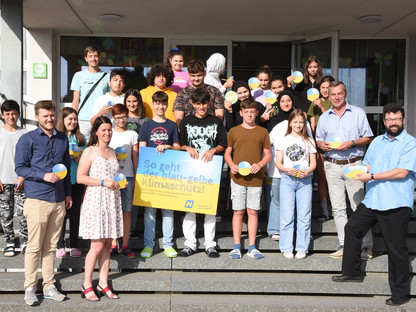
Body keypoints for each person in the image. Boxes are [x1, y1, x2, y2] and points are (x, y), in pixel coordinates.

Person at [332, 103, 416, 307]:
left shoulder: (410, 143)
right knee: (352, 227)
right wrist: (357, 169)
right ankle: (352, 272)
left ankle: (401, 293)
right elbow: (369, 164)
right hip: (374, 199)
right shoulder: (377, 141)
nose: (393, 122)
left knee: (395, 249)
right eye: (389, 119)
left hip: (396, 202)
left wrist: (371, 175)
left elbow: (402, 172)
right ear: (384, 121)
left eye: (396, 119)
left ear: (403, 120)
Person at [15, 100, 72, 306]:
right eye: (45, 116)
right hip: (37, 198)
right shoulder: (27, 139)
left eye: (52, 115)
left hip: (58, 200)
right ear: (37, 117)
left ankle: (49, 285)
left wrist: (67, 194)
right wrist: (43, 175)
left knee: (50, 247)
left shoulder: (62, 138)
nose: (49, 119)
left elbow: (66, 168)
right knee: (34, 247)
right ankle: (30, 286)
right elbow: (20, 168)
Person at [316, 81, 374, 259]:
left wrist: (353, 142)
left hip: (353, 165)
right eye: (333, 94)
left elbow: (369, 137)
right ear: (329, 96)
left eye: (339, 93)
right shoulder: (325, 117)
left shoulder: (357, 113)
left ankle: (366, 246)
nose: (336, 97)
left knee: (359, 207)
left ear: (345, 94)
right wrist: (322, 145)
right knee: (338, 208)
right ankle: (344, 245)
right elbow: (318, 139)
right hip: (332, 164)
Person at [77, 116, 123, 301]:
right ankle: (87, 284)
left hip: (111, 200)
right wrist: (103, 182)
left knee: (106, 245)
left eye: (109, 129)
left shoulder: (112, 151)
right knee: (96, 245)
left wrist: (119, 183)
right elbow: (80, 178)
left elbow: (113, 176)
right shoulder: (90, 151)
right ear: (96, 131)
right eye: (103, 130)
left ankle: (103, 283)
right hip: (96, 200)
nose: (107, 133)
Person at [178, 88, 227, 258]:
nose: (201, 107)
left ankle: (210, 245)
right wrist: (187, 147)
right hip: (190, 171)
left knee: (209, 209)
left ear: (209, 103)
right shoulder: (185, 122)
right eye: (198, 103)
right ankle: (190, 244)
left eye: (204, 103)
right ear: (192, 103)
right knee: (189, 208)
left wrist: (213, 149)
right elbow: (180, 145)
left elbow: (223, 144)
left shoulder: (216, 121)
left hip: (210, 171)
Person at [224, 98, 272, 259]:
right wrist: (231, 164)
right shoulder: (234, 131)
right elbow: (227, 153)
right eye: (246, 112)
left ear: (257, 113)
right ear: (241, 113)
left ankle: (252, 246)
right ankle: (236, 246)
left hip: (256, 178)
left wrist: (260, 164)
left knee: (253, 211)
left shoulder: (263, 132)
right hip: (237, 178)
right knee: (238, 211)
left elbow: (268, 155)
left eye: (252, 112)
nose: (249, 114)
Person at [138, 91, 180, 258]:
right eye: (157, 103)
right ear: (153, 105)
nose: (161, 106)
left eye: (164, 103)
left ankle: (168, 244)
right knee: (150, 211)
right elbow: (141, 149)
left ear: (167, 105)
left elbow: (178, 147)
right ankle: (149, 244)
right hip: (150, 173)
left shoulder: (171, 125)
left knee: (168, 211)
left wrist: (168, 146)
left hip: (168, 173)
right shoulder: (146, 125)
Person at [275, 109, 317, 259]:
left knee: (304, 215)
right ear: (290, 122)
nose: (298, 125)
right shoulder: (283, 139)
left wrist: (309, 171)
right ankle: (286, 247)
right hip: (288, 180)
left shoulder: (309, 141)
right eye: (295, 122)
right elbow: (278, 162)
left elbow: (313, 163)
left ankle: (301, 247)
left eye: (301, 122)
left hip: (305, 180)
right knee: (287, 215)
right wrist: (287, 170)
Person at [55, 107, 86, 258]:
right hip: (61, 182)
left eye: (75, 119)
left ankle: (74, 244)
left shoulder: (81, 138)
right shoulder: (57, 137)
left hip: (77, 181)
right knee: (61, 214)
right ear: (63, 120)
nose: (73, 122)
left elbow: (86, 161)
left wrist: (79, 158)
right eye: (70, 119)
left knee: (75, 215)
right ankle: (59, 245)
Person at [108, 104, 138, 258]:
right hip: (111, 177)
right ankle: (113, 243)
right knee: (113, 211)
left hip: (128, 176)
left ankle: (125, 244)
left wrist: (136, 174)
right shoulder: (109, 132)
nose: (121, 120)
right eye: (118, 117)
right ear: (113, 118)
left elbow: (135, 156)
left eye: (124, 117)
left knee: (127, 211)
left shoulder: (132, 134)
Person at [265, 90, 295, 240]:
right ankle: (274, 228)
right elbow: (267, 144)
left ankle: (291, 228)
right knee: (275, 198)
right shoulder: (273, 120)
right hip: (276, 169)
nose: (285, 103)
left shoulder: (300, 119)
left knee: (292, 200)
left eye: (288, 100)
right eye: (282, 101)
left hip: (295, 169)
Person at [0, 100, 28, 257]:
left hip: (21, 181)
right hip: (3, 181)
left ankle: (25, 242)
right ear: (2, 115)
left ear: (18, 114)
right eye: (8, 114)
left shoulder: (25, 134)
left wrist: (23, 176)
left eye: (14, 113)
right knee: (6, 214)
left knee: (23, 213)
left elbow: (30, 158)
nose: (11, 116)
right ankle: (9, 242)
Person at [307, 75, 335, 221]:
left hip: (332, 141)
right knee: (321, 174)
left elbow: (332, 121)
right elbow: (312, 124)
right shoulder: (314, 102)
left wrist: (322, 106)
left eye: (327, 87)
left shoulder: (335, 102)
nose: (325, 90)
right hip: (317, 141)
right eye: (322, 87)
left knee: (332, 175)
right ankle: (324, 211)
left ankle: (335, 208)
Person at [71, 46, 109, 141]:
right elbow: (75, 100)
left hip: (100, 118)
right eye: (90, 56)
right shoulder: (78, 75)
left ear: (99, 58)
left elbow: (109, 98)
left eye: (95, 56)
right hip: (83, 119)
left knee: (100, 146)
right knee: (83, 148)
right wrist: (74, 118)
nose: (93, 59)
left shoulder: (107, 76)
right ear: (86, 58)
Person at [173, 59, 225, 127]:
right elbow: (178, 117)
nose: (196, 79)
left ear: (205, 73)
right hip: (189, 132)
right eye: (193, 76)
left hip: (210, 131)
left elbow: (219, 115)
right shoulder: (182, 93)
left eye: (199, 75)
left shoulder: (214, 91)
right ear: (188, 75)